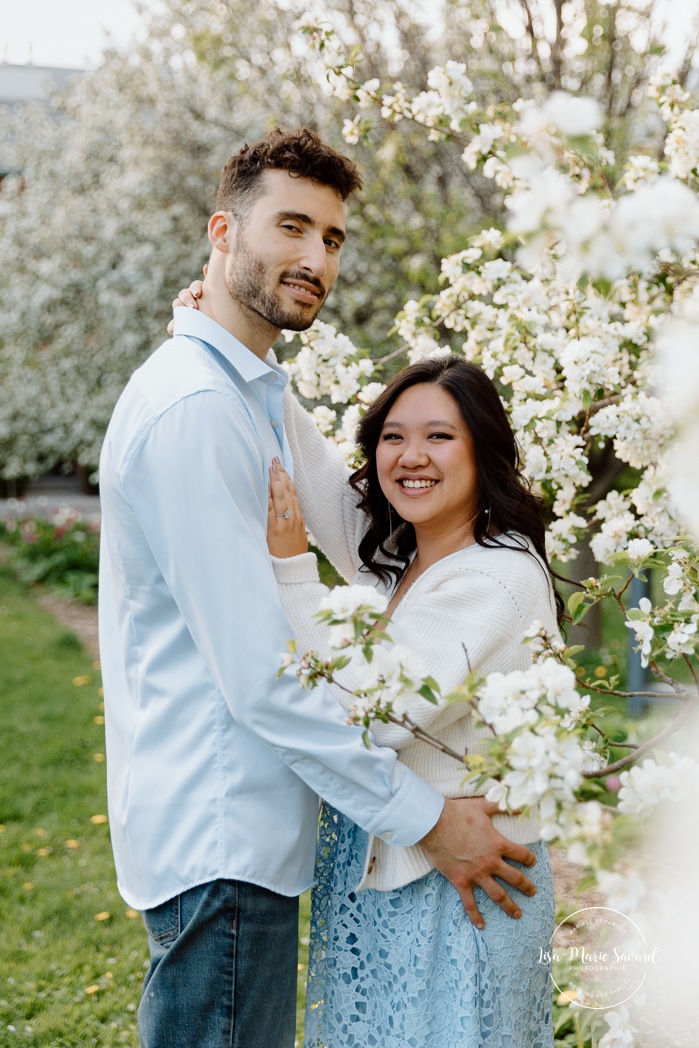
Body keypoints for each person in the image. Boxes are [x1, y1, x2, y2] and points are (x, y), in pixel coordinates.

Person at [99, 127, 538, 1048]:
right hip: (220, 833)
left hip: (247, 837)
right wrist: (428, 822)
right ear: (223, 233)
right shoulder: (198, 412)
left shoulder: (238, 392)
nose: (313, 257)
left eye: (332, 238)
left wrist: (236, 346)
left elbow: (346, 515)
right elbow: (262, 676)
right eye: (290, 227)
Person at [267, 354, 560, 1047]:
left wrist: (291, 572)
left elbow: (370, 713)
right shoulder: (399, 565)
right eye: (392, 437)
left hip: (460, 889)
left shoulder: (497, 579)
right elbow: (316, 476)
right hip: (392, 870)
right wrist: (256, 360)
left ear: (481, 451)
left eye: (438, 436)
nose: (410, 456)